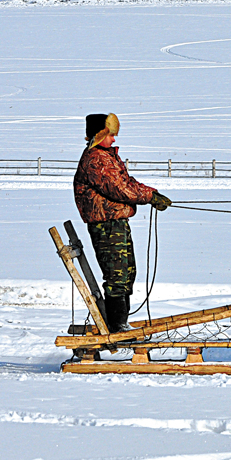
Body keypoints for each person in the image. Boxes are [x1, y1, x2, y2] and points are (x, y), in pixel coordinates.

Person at [73, 113, 172, 332]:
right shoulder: (96, 159)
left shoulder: (108, 156)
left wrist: (151, 193)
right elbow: (120, 189)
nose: (114, 140)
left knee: (127, 273)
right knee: (117, 274)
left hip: (116, 221)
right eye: (110, 135)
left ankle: (121, 322)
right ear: (100, 135)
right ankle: (117, 327)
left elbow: (127, 182)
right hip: (105, 224)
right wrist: (150, 198)